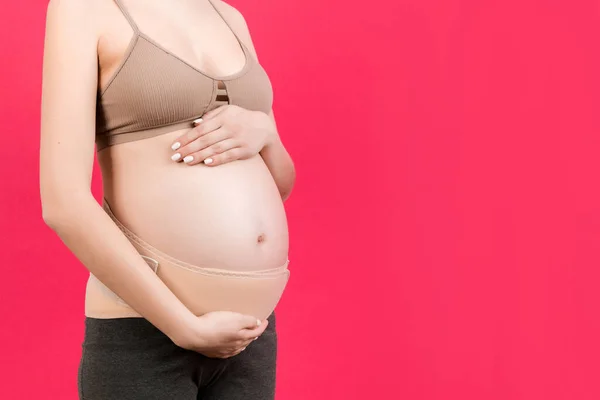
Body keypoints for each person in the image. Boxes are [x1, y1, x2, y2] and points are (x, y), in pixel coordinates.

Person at [39, 0, 295, 398]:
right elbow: (63, 202)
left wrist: (265, 131)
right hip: (146, 327)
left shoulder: (230, 17)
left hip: (249, 334)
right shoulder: (84, 8)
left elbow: (278, 185)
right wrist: (184, 326)